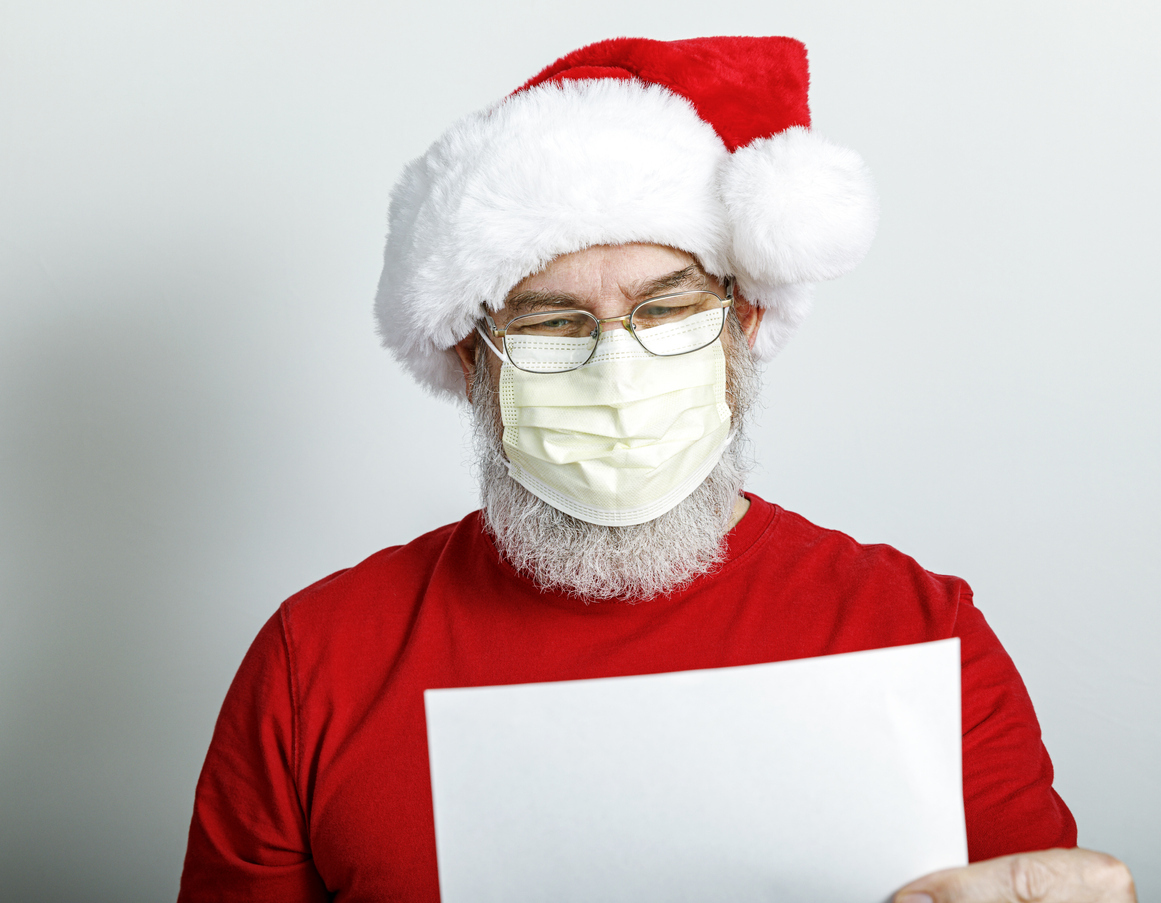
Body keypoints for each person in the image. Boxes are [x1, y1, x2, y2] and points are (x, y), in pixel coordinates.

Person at [177, 36, 1136, 902]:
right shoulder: (320, 660)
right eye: (551, 323)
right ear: (473, 363)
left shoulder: (915, 632)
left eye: (668, 308)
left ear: (744, 323)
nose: (615, 367)